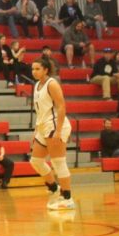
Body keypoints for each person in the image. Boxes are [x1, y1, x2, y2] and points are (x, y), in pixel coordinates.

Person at [29, 57, 74, 210]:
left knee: (58, 162)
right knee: (35, 161)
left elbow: (61, 107)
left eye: (37, 69)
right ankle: (54, 188)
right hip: (43, 126)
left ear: (46, 70)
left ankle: (67, 198)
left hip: (55, 126)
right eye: (33, 69)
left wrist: (59, 131)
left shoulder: (52, 84)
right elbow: (40, 111)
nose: (34, 71)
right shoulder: (36, 85)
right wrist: (36, 131)